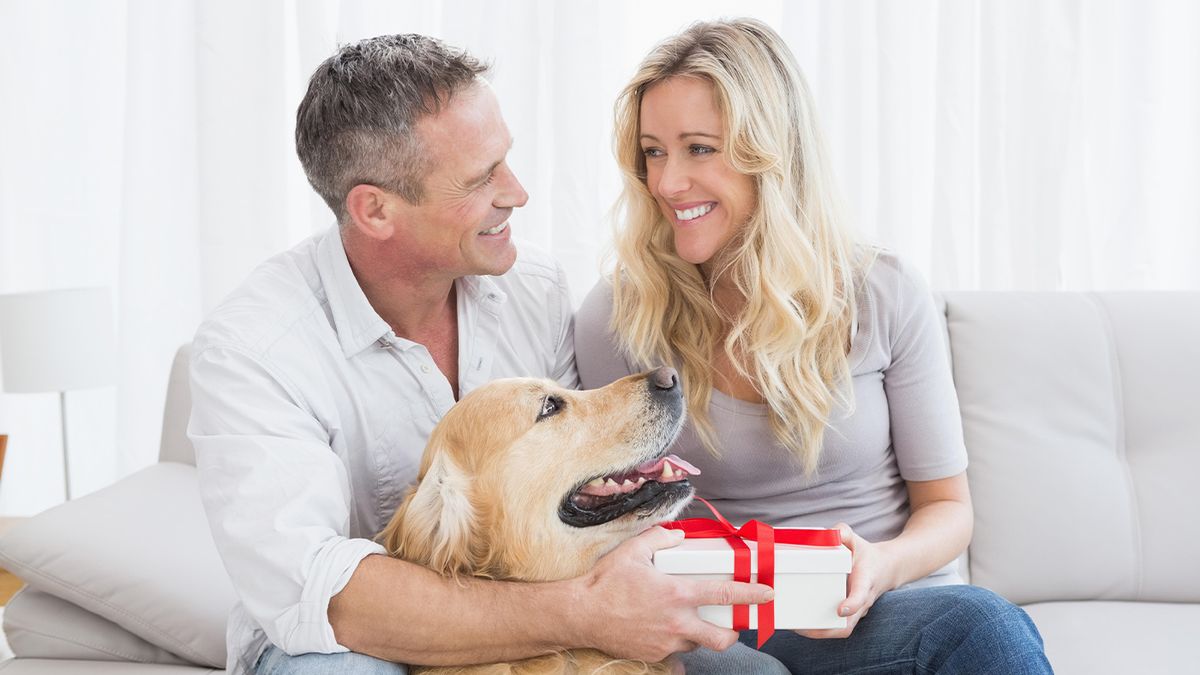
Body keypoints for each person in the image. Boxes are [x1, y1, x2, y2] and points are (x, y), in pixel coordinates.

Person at [188, 34, 777, 675]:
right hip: (346, 640)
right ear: (375, 209)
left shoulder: (535, 289)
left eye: (506, 160)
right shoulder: (253, 349)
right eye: (480, 179)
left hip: (545, 606)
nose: (517, 192)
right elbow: (328, 595)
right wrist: (586, 613)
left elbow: (575, 494)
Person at [575, 18, 1054, 674]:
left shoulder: (882, 293)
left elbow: (948, 508)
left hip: (874, 614)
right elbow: (606, 527)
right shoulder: (619, 314)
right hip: (716, 620)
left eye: (698, 148)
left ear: (771, 152)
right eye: (654, 152)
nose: (667, 183)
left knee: (985, 625)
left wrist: (881, 564)